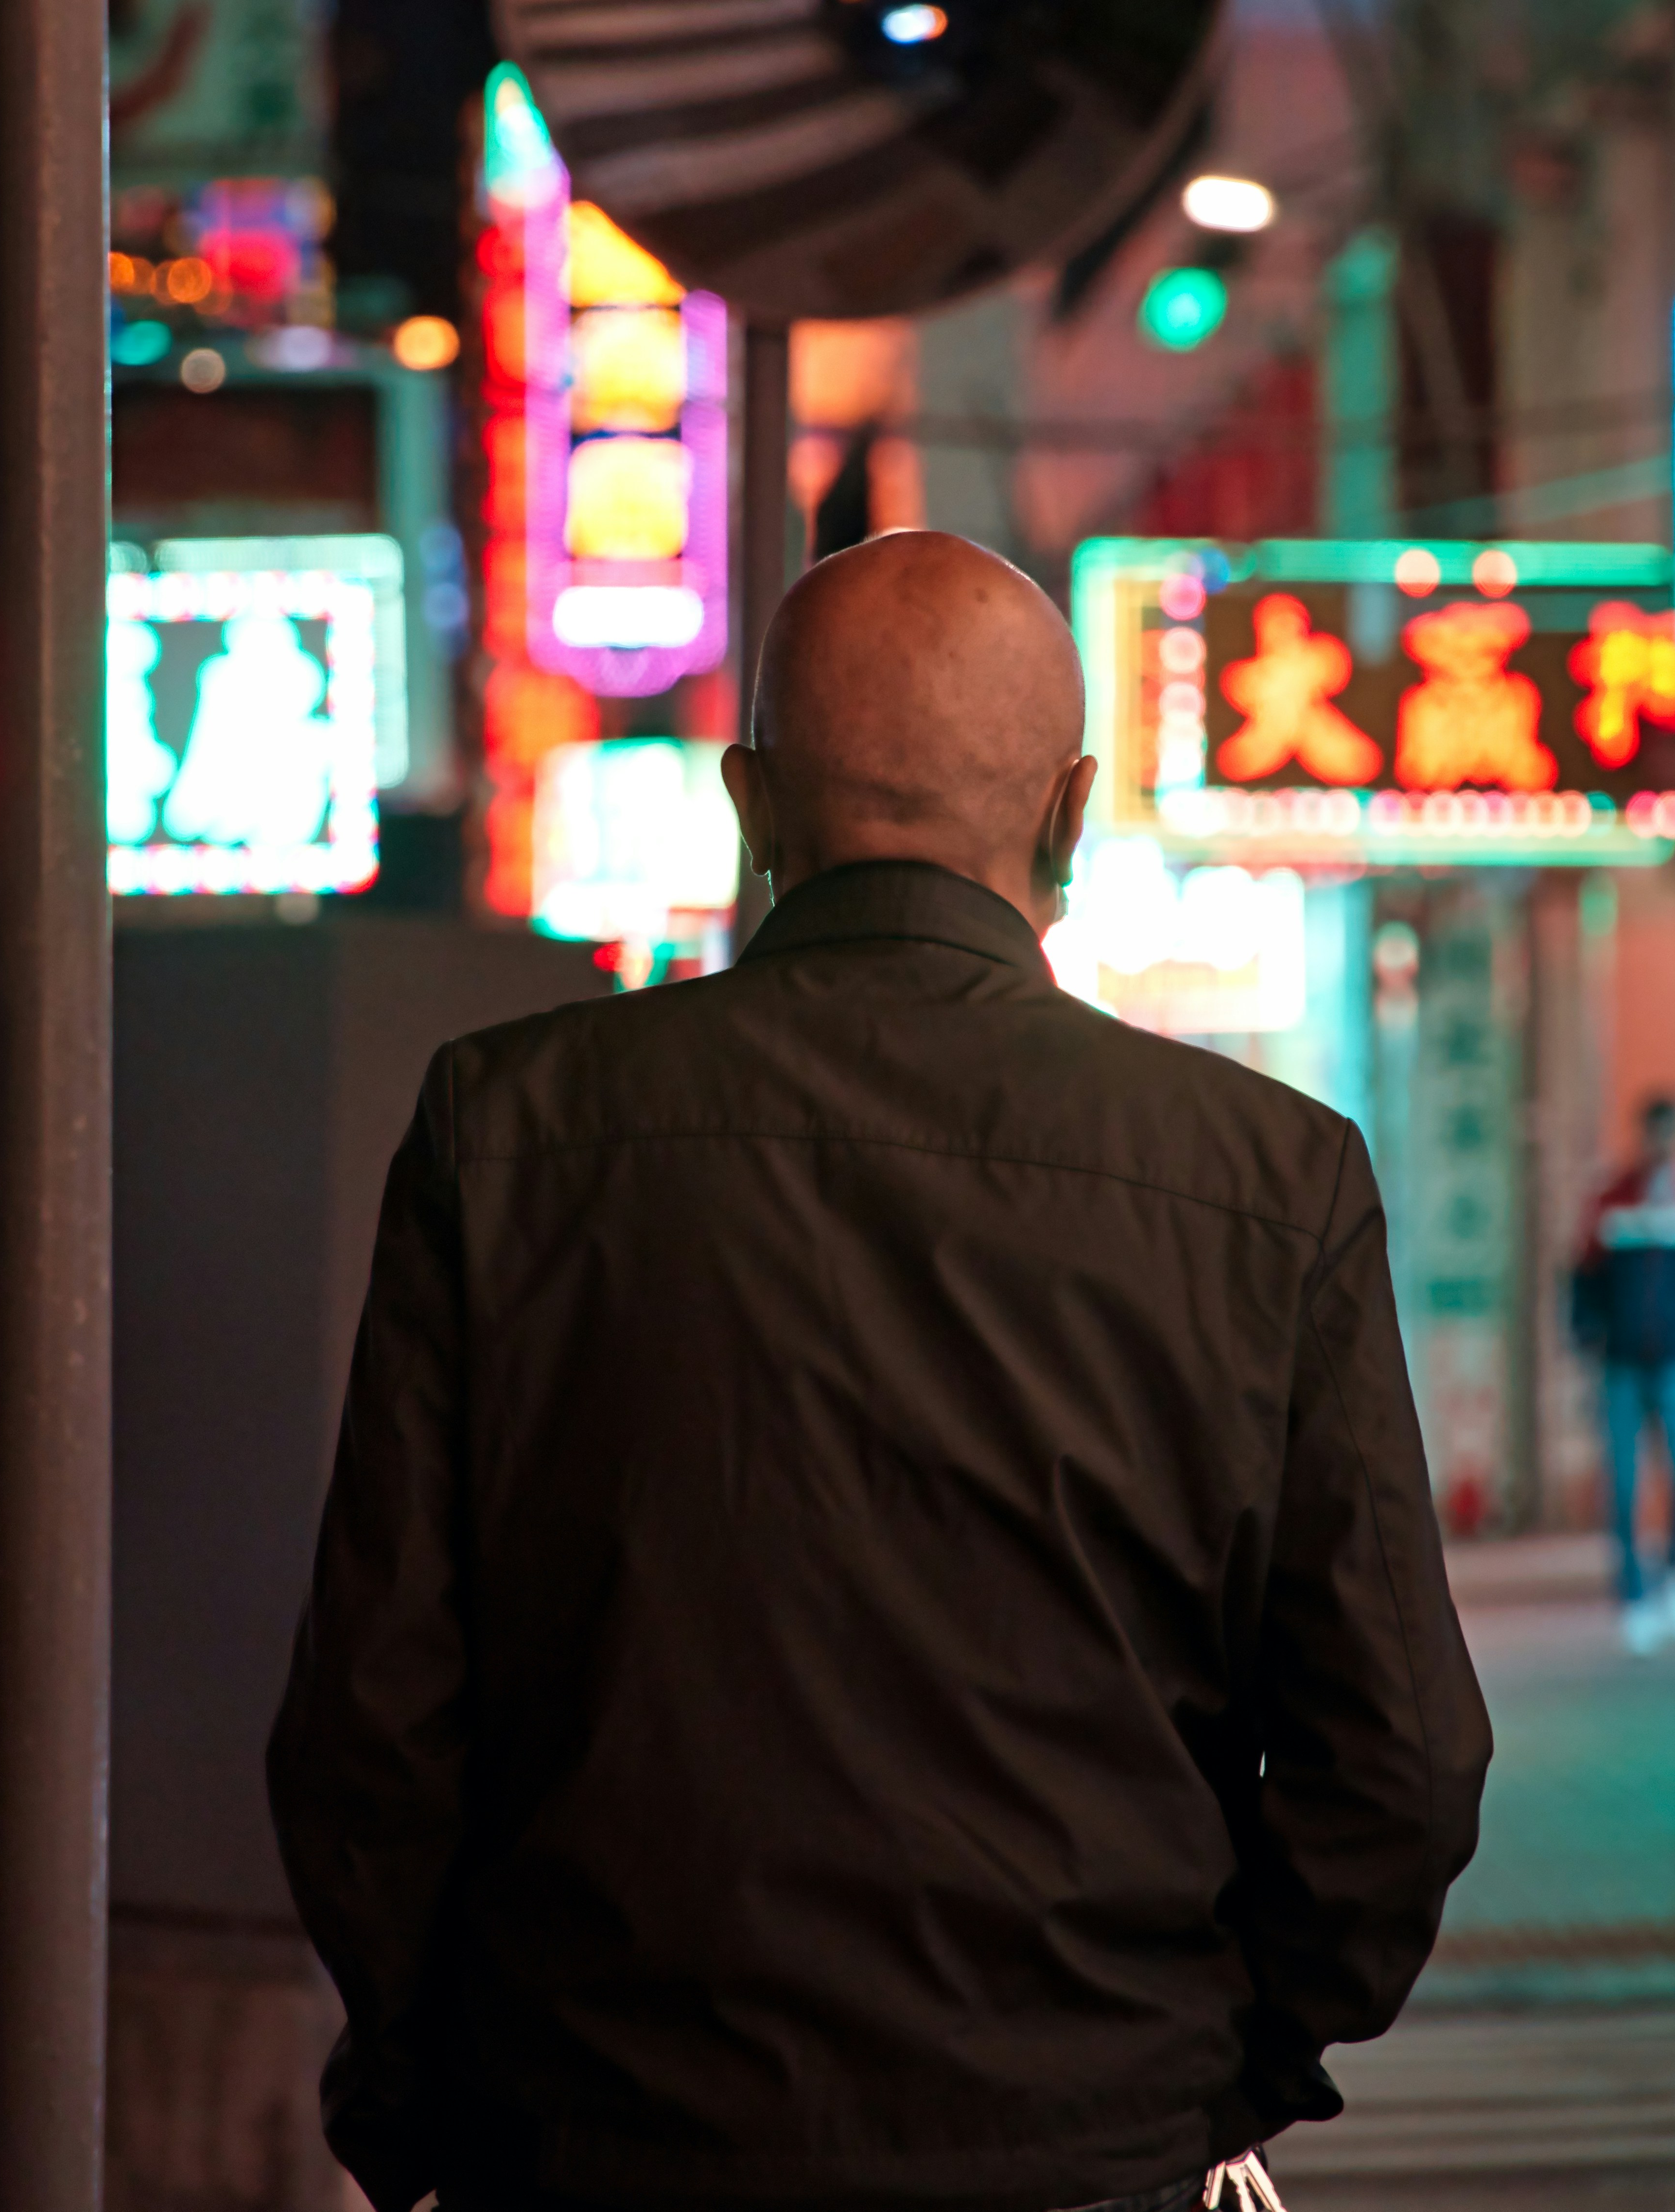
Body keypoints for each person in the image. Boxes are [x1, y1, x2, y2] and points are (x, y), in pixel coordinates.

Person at [268, 530, 1491, 2212]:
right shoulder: (1269, 1179)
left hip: (608, 2137)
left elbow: (373, 1720)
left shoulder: (510, 1130)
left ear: (751, 805)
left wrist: (425, 2103)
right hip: (1089, 2135)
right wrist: (1229, 2058)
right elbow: (1404, 1759)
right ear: (1070, 809)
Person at [1570, 1093, 1675, 1655]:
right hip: (1620, 1362)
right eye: (1655, 1136)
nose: (1664, 1148)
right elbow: (1582, 1278)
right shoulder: (1609, 1199)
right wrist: (1582, 1342)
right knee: (1622, 1483)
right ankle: (1633, 1595)